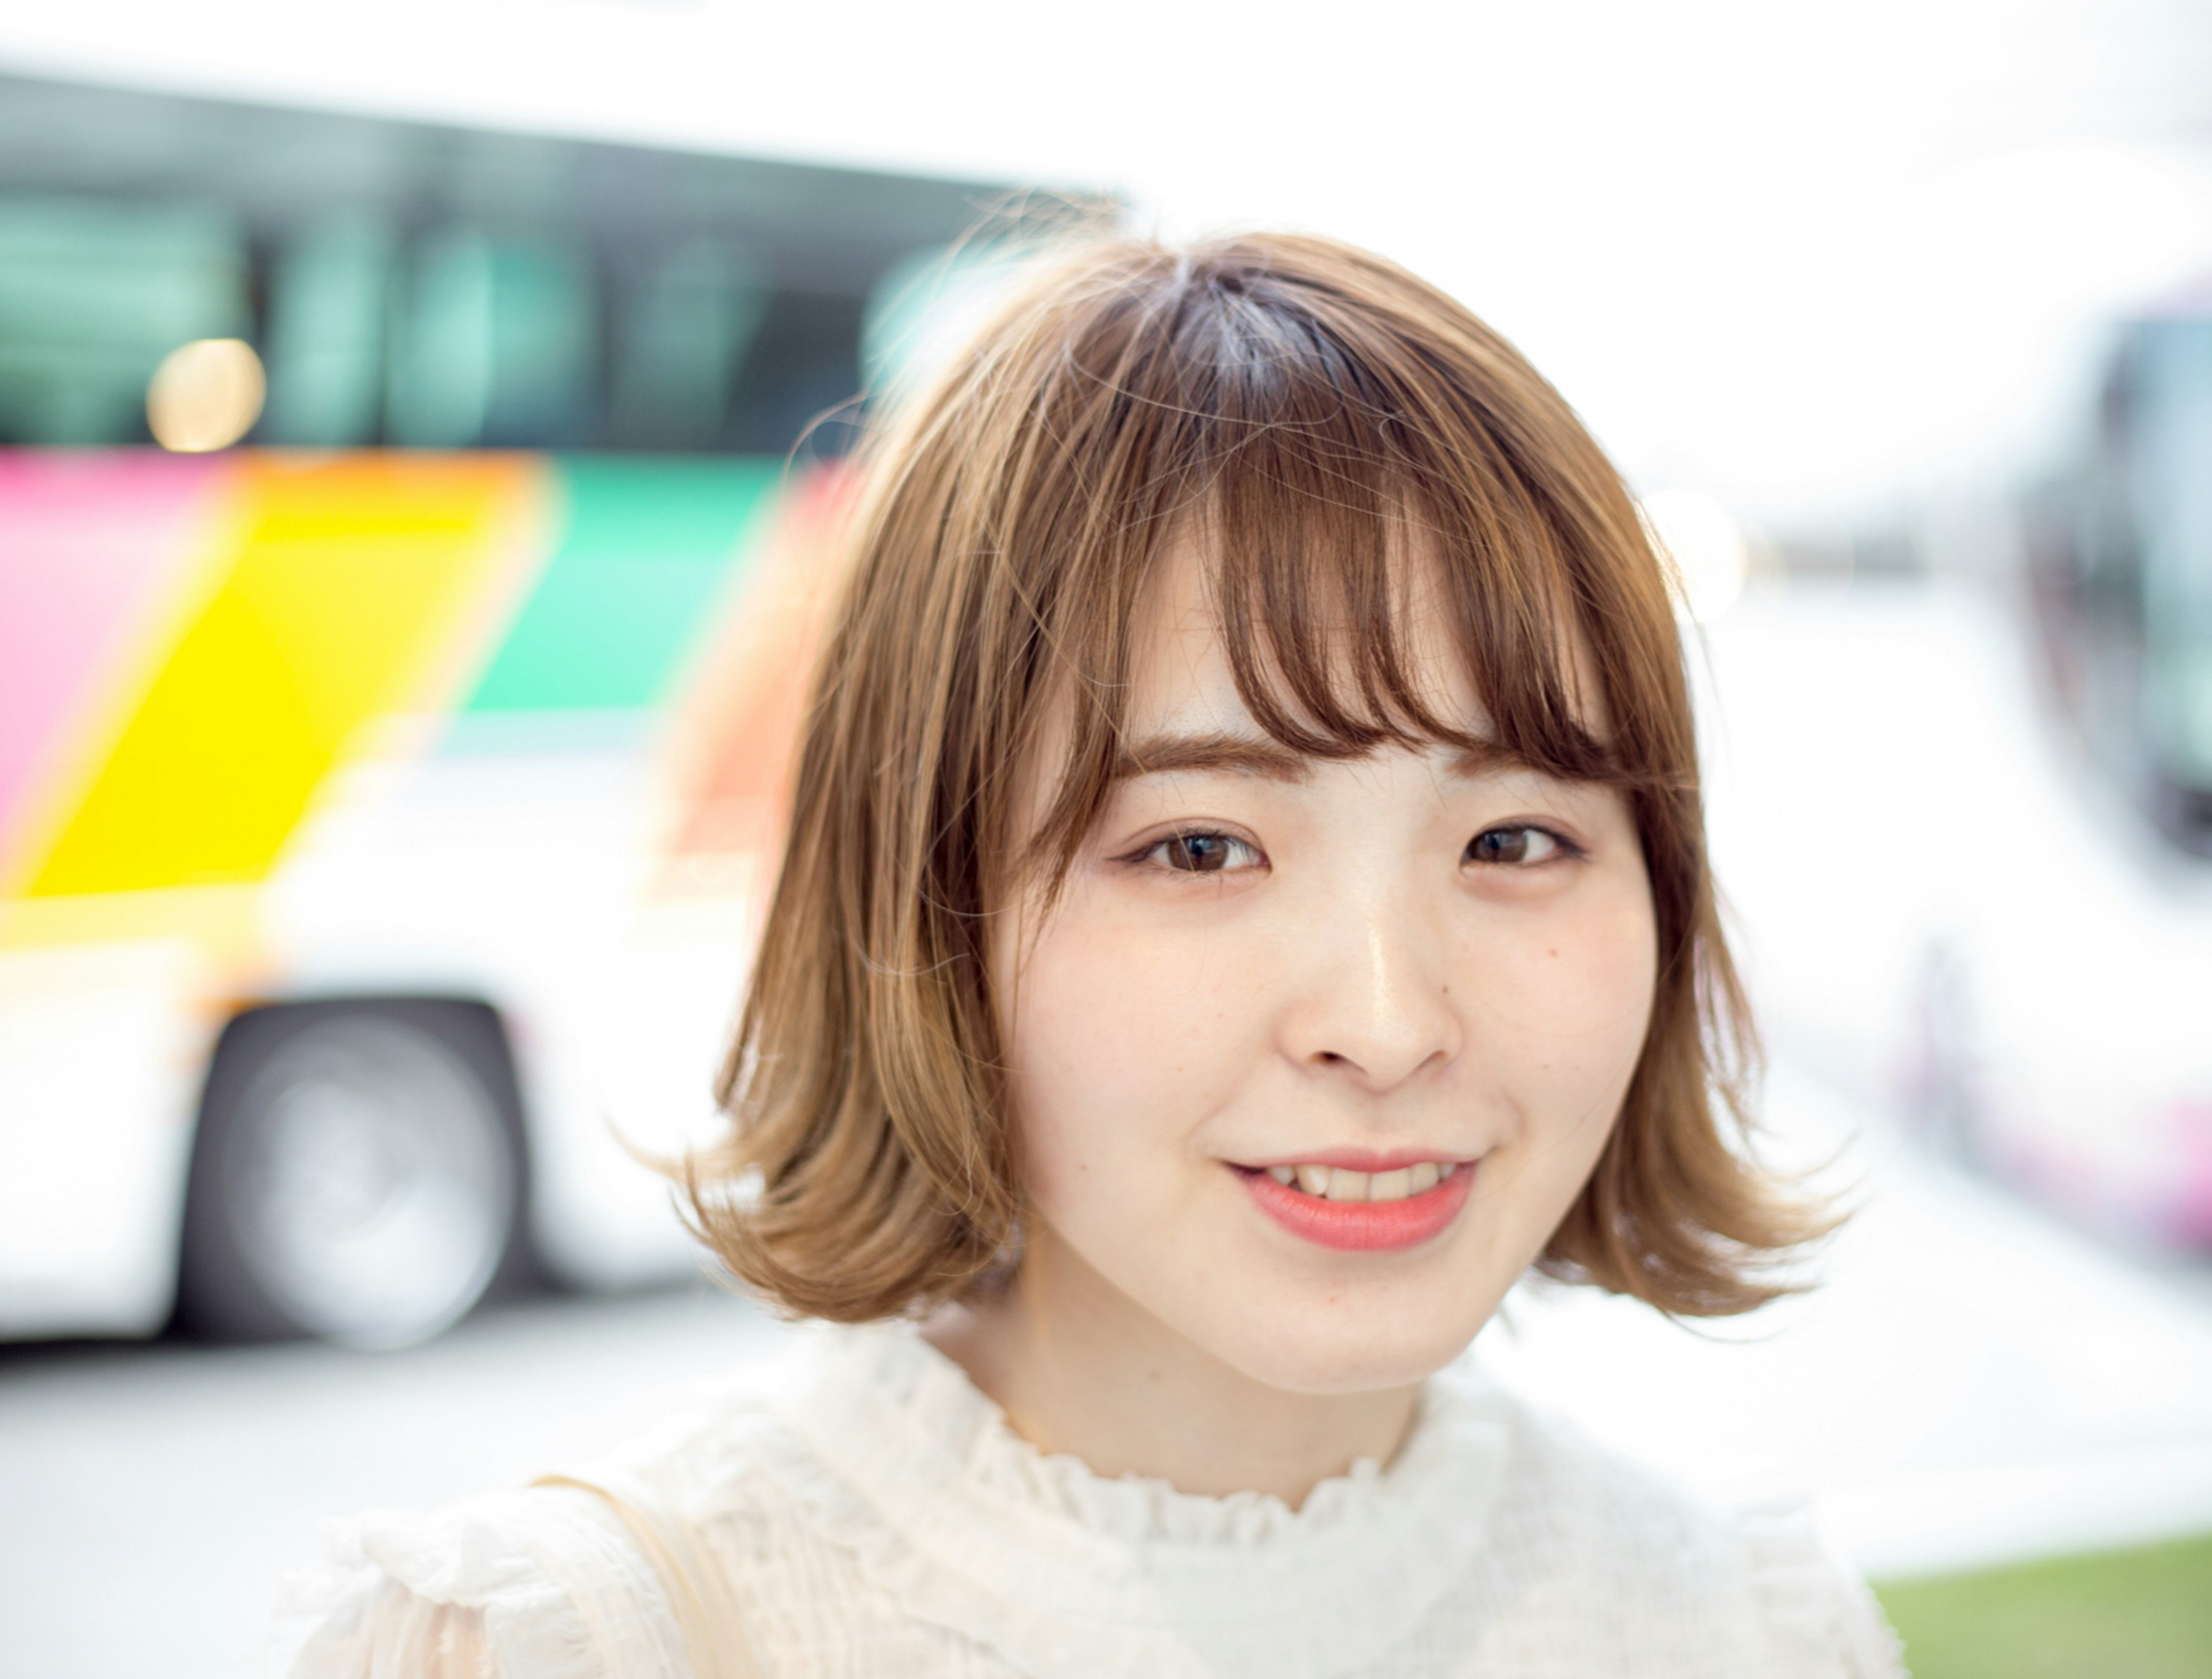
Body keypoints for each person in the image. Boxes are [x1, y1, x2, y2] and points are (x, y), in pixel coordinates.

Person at [275, 232, 1906, 1678]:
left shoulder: (1739, 1631)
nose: (1390, 1021)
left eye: (1514, 841)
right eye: (1199, 846)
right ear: (932, 904)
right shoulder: (588, 1638)